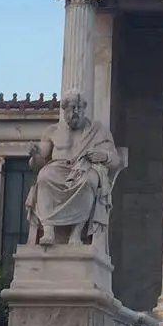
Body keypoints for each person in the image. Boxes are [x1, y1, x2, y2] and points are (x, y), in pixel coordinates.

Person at [26, 89, 121, 246]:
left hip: (83, 169)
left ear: (84, 109)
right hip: (58, 169)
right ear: (64, 111)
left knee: (89, 180)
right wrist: (34, 155)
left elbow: (116, 160)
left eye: (79, 108)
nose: (75, 112)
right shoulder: (52, 131)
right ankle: (48, 229)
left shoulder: (98, 130)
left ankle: (76, 233)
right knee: (44, 176)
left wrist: (103, 156)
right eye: (71, 108)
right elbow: (39, 162)